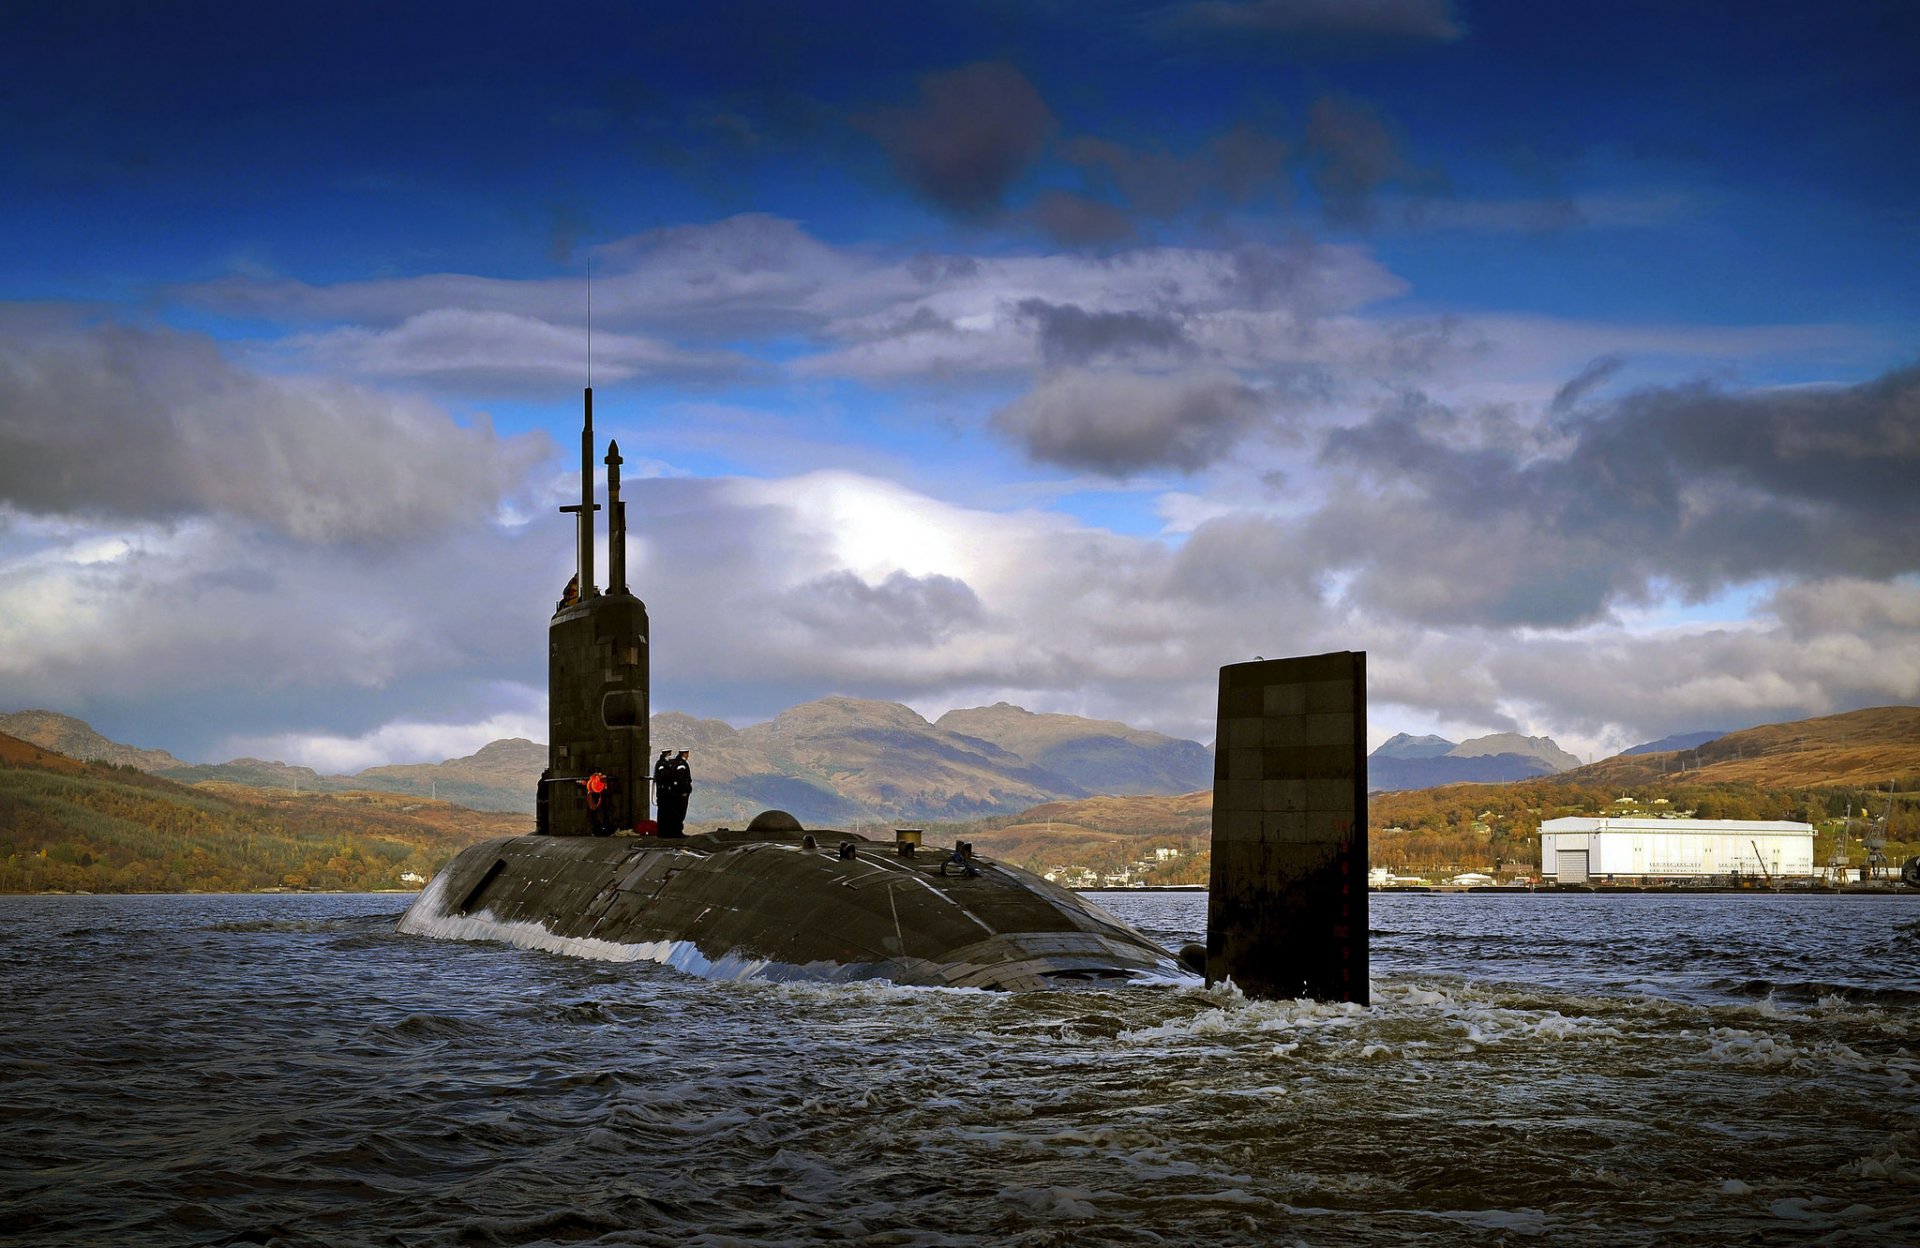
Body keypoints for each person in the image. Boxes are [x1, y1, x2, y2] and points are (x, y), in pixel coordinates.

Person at [655, 748, 692, 838]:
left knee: (669, 813)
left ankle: (668, 832)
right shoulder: (679, 765)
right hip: (669, 793)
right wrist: (684, 790)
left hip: (668, 793)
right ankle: (672, 832)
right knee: (676, 813)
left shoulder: (670, 764)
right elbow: (681, 779)